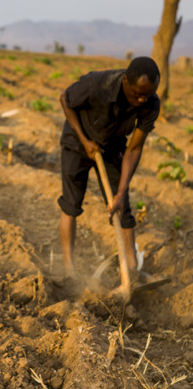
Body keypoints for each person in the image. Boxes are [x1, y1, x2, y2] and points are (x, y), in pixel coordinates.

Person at [58, 56, 161, 281]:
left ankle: (132, 271)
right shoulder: (98, 85)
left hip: (113, 146)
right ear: (125, 82)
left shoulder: (151, 103)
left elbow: (134, 149)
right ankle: (69, 271)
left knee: (121, 207)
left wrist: (121, 191)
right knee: (71, 205)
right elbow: (65, 98)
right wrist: (85, 141)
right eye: (137, 94)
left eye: (148, 94)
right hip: (78, 143)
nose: (142, 100)